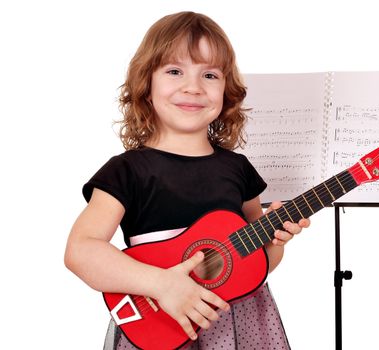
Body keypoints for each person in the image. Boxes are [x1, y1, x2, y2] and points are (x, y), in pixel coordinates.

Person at [64, 11, 310, 350]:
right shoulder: (127, 171)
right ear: (146, 86)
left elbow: (258, 263)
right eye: (175, 71)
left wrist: (276, 242)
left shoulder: (237, 168)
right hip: (163, 321)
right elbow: (81, 250)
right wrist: (163, 285)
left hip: (237, 322)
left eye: (209, 75)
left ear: (227, 90)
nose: (193, 87)